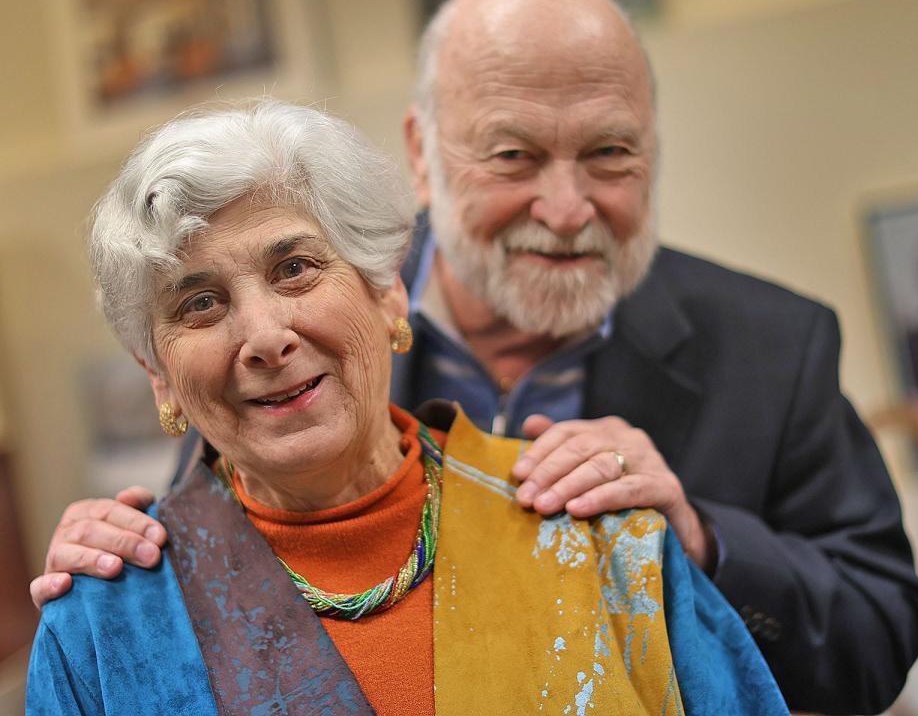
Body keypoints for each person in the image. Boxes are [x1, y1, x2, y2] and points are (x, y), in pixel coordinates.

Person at [32, 0, 918, 714]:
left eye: (612, 153)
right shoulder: (308, 340)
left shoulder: (774, 344)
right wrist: (109, 553)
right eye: (514, 156)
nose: (569, 208)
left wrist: (695, 540)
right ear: (423, 154)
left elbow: (880, 632)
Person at [26, 100, 788, 715]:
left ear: (387, 290)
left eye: (294, 268)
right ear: (158, 374)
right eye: (199, 302)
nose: (263, 337)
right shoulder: (104, 623)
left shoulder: (594, 524)